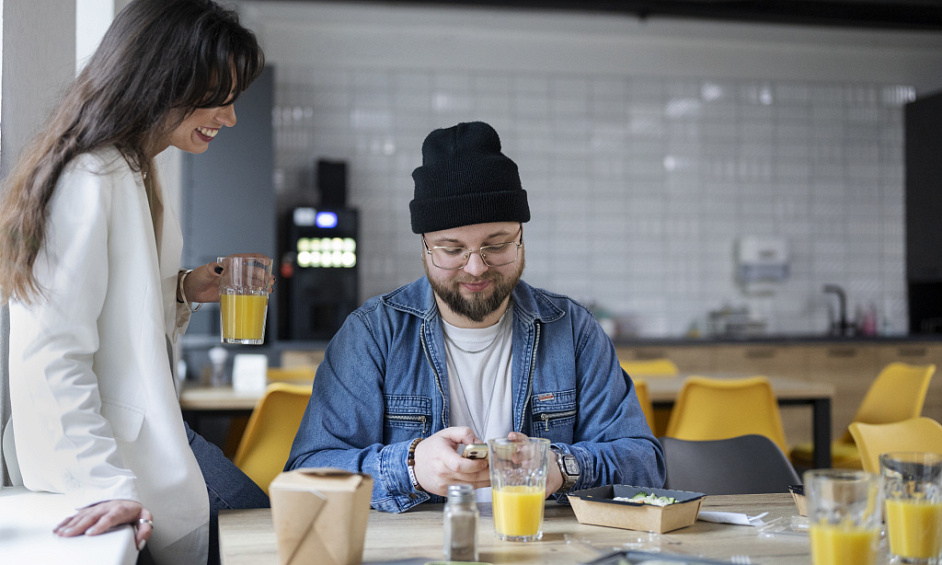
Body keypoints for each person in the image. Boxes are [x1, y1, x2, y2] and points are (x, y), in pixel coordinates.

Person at [0, 1, 269, 563]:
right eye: (219, 96)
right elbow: (50, 353)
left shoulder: (137, 165)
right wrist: (104, 485)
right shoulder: (89, 175)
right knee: (262, 533)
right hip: (106, 453)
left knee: (261, 527)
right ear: (162, 79)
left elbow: (112, 302)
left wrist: (182, 288)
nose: (231, 117)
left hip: (147, 437)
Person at [286, 121, 665, 512]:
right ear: (425, 248)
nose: (475, 268)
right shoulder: (372, 334)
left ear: (521, 237)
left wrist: (562, 466)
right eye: (452, 250)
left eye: (496, 245)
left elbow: (646, 467)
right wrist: (412, 468)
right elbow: (306, 476)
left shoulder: (572, 330)